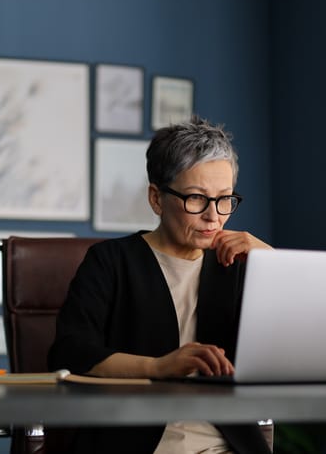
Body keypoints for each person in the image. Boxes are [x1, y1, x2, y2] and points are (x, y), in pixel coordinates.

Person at [48, 116, 274, 454]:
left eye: (224, 199)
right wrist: (158, 367)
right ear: (156, 199)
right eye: (197, 198)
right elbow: (70, 352)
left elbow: (298, 349)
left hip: (229, 445)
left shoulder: (240, 263)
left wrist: (273, 265)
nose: (214, 216)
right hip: (137, 443)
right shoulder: (110, 262)